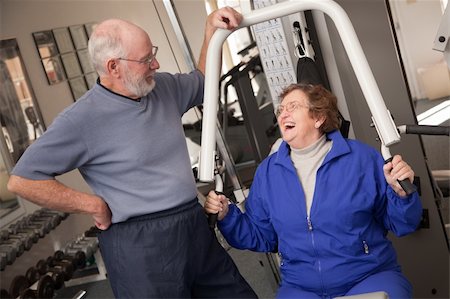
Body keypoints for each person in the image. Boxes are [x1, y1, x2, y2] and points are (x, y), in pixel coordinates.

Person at [8, 8, 258, 299]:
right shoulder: (81, 119)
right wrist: (91, 204)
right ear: (114, 67)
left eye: (152, 52)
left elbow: (204, 83)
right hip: (141, 246)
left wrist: (210, 34)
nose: (156, 63)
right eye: (145, 59)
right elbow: (22, 179)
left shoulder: (161, 87)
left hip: (192, 225)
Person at [205, 83, 422, 299]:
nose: (283, 114)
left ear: (318, 118)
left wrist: (402, 196)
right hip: (301, 286)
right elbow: (263, 236)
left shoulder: (362, 159)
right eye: (281, 110)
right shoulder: (268, 173)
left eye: (293, 106)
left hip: (367, 275)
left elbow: (404, 224)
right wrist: (227, 216)